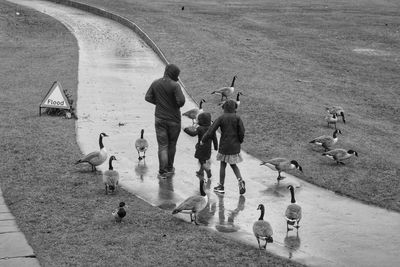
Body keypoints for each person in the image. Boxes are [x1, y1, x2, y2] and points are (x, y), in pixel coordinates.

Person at [145, 63, 186, 178]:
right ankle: (169, 168)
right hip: (174, 120)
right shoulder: (175, 86)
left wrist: (159, 103)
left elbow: (148, 97)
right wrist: (173, 104)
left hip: (159, 119)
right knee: (172, 144)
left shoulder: (156, 83)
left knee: (163, 146)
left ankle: (162, 172)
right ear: (174, 74)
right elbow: (181, 102)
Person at [201, 99, 246, 195]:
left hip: (224, 146)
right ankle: (240, 181)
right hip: (235, 146)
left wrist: (203, 140)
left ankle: (221, 186)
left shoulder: (221, 118)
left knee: (223, 164)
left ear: (224, 107)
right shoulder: (238, 118)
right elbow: (242, 131)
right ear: (235, 108)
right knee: (233, 164)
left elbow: (211, 130)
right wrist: (240, 141)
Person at [183, 112, 218, 181]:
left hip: (201, 148)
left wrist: (185, 129)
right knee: (204, 160)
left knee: (201, 161)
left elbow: (193, 134)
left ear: (201, 121)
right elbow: (215, 139)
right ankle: (201, 172)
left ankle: (207, 170)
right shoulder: (211, 129)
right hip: (208, 149)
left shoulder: (200, 128)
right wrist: (216, 147)